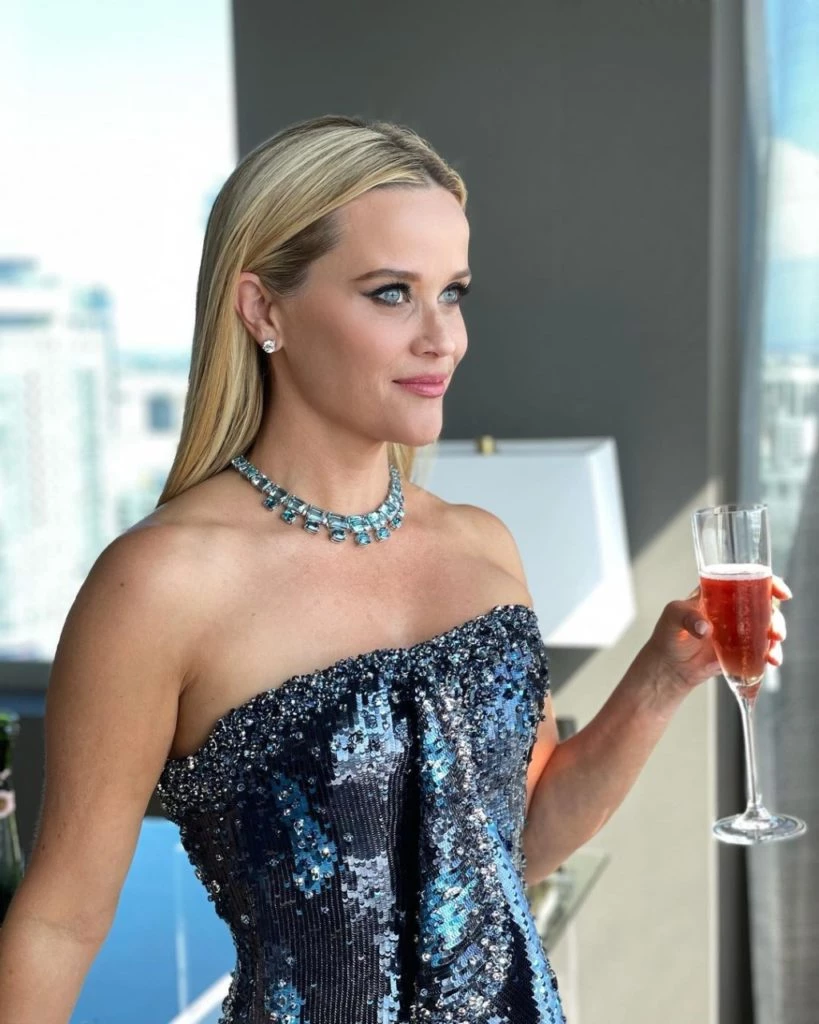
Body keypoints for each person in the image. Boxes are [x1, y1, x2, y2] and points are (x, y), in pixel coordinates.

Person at [0, 114, 790, 1024]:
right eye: (390, 294)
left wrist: (659, 680)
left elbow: (514, 849)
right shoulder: (159, 585)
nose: (442, 338)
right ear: (262, 309)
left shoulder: (481, 548)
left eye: (452, 293)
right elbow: (59, 923)